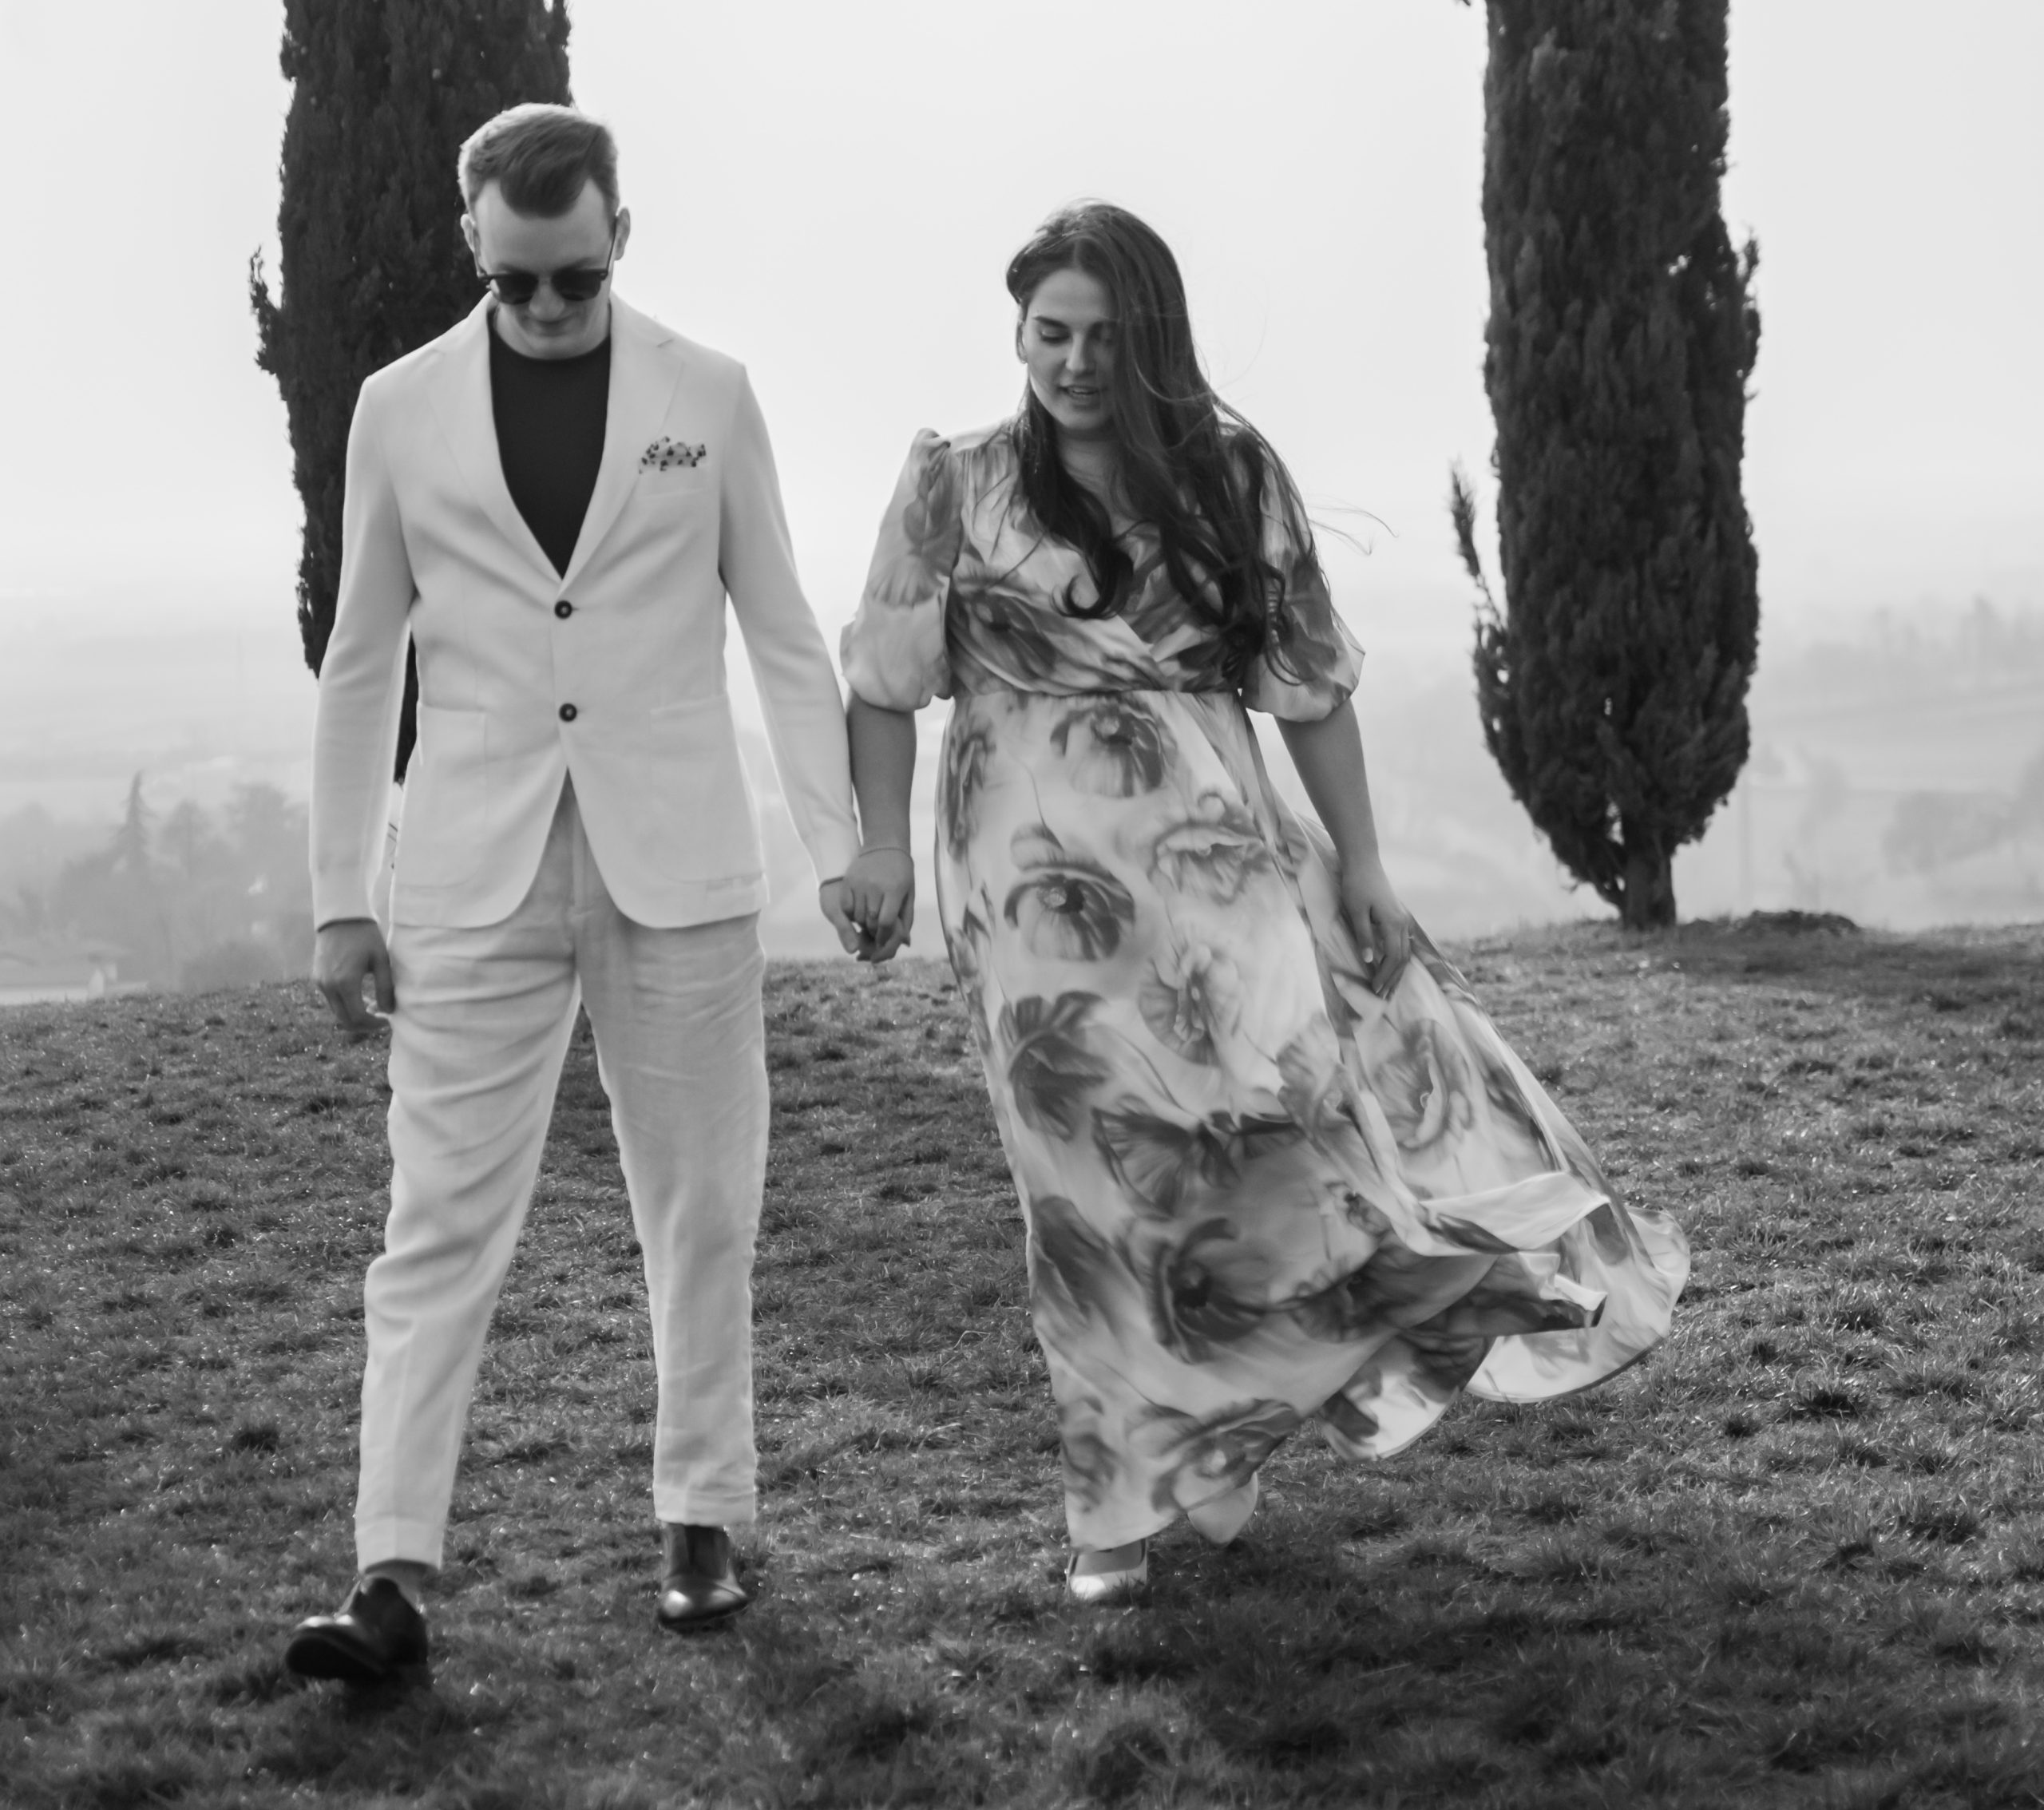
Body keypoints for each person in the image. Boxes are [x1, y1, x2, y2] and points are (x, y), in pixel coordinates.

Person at [837, 202, 1689, 1603]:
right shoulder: (957, 482)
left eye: (1107, 338)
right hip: (1032, 896)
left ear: (1158, 341)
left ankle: (1224, 1423)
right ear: (1020, 335)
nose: (1075, 364)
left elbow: (1309, 689)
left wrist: (1364, 862)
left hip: (1220, 868)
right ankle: (1118, 1502)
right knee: (1090, 1193)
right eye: (1051, 334)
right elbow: (881, 685)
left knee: (1266, 1137)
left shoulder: (1231, 480)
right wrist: (878, 848)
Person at [285, 104, 866, 1681]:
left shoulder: (709, 394)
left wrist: (840, 849)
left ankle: (703, 1521)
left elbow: (782, 633)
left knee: (704, 1209)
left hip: (677, 864)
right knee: (432, 1229)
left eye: (579, 278)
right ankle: (390, 1578)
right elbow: (360, 663)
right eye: (518, 280)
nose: (548, 307)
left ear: (623, 236)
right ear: (471, 243)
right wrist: (341, 895)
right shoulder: (396, 408)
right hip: (467, 875)